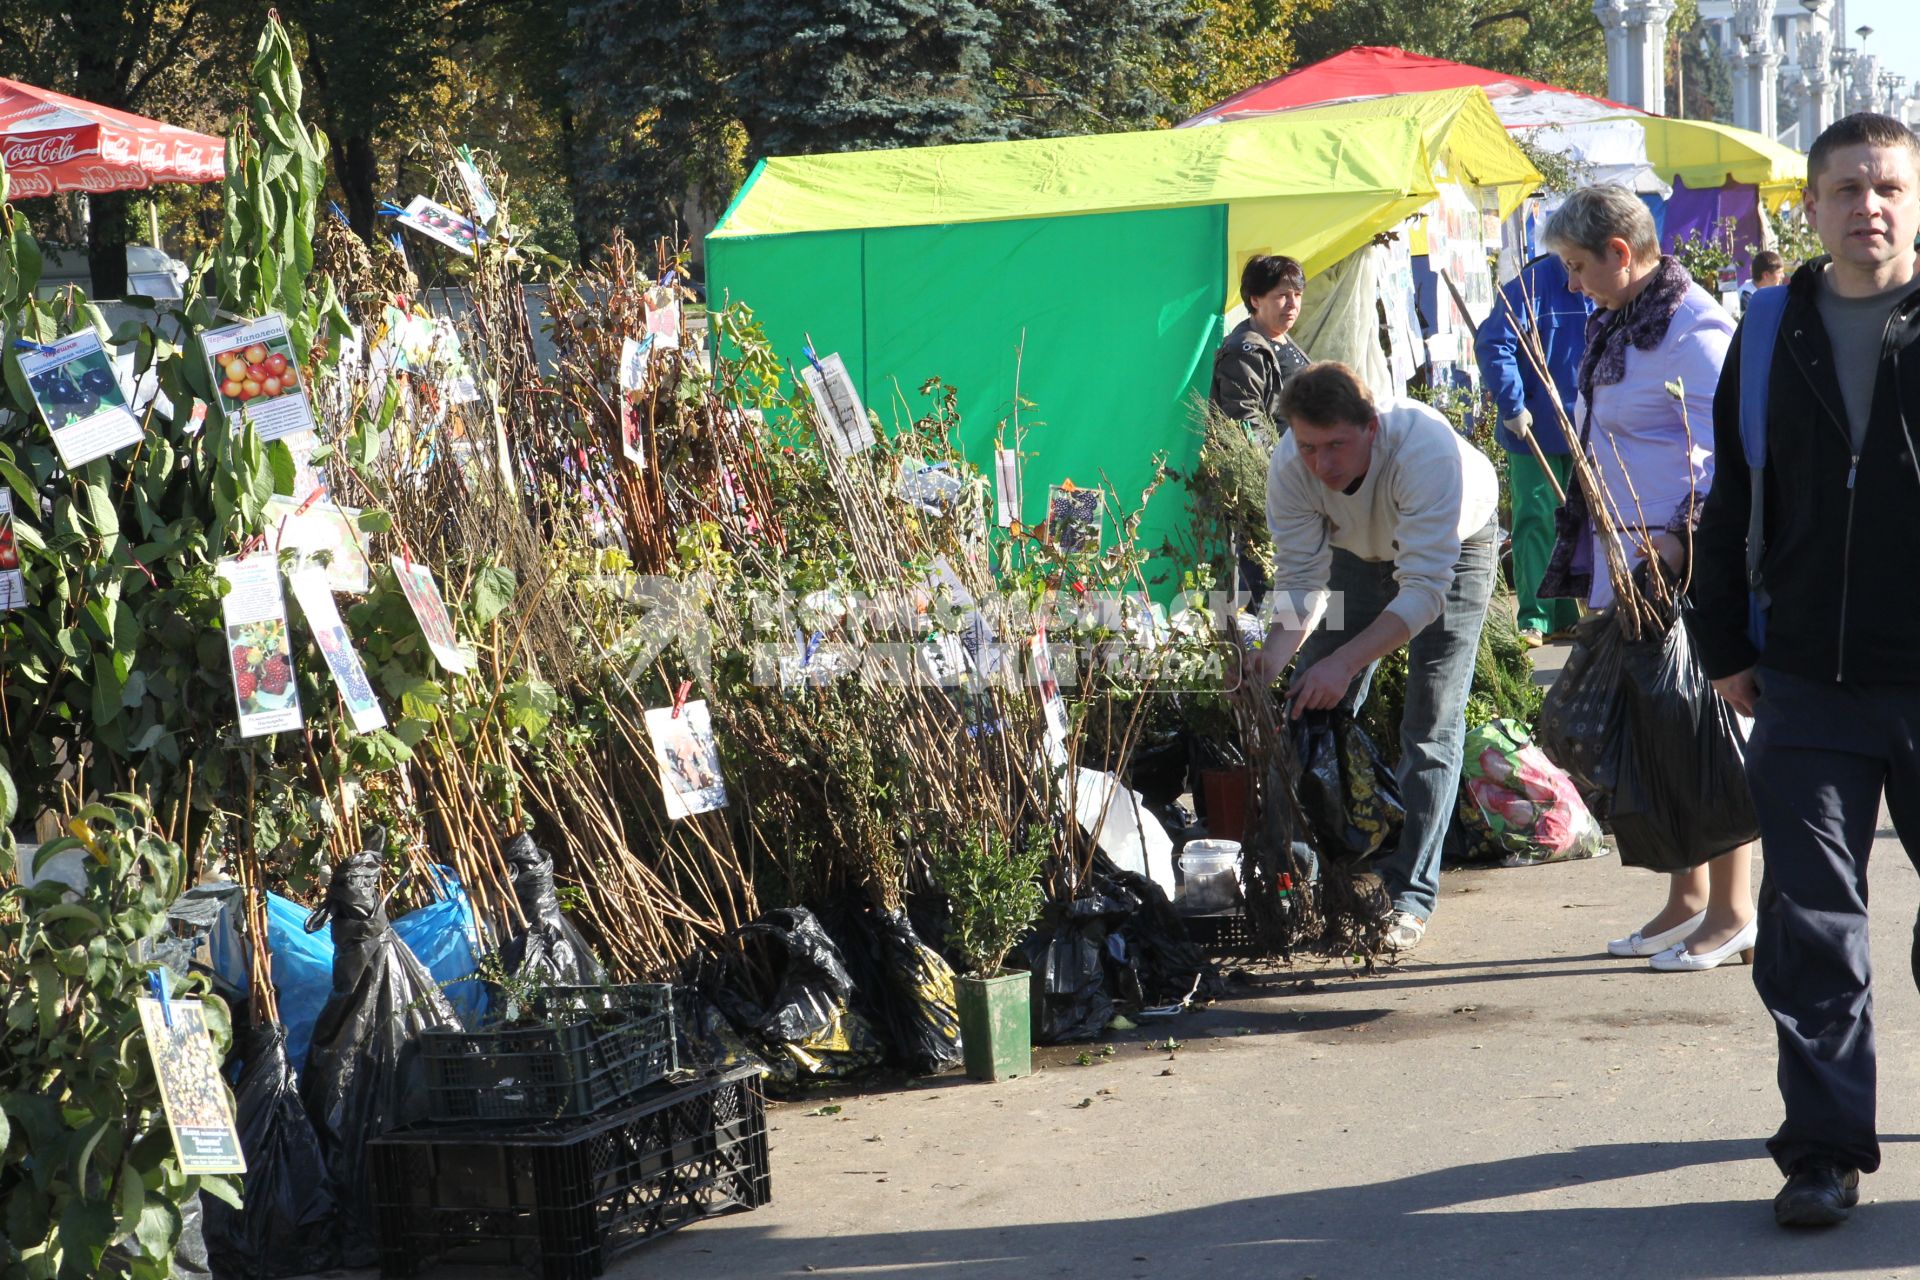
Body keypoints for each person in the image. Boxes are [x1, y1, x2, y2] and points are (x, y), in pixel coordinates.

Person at [1686, 113, 1920, 1229]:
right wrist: (1723, 641)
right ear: (1812, 206)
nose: (1867, 206)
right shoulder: (1770, 328)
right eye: (1846, 188)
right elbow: (1732, 491)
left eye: (1887, 186)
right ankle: (1824, 1150)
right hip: (1807, 680)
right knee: (1810, 924)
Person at [1536, 184, 1758, 974]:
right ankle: (1686, 897)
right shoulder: (1624, 320)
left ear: (1620, 254)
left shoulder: (1694, 328)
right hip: (1625, 561)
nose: (1571, 282)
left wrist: (1672, 544)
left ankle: (1734, 913)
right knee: (1658, 732)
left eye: (1576, 265)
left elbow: (1729, 454)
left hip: (1679, 567)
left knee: (1703, 737)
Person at [1246, 361, 1498, 952]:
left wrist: (1346, 663)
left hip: (1454, 552)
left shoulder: (1424, 450)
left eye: (1336, 445)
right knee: (1306, 704)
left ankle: (1410, 896)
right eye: (1309, 446)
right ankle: (1300, 877)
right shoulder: (1291, 465)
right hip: (1357, 557)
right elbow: (1301, 584)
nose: (1322, 464)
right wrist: (1266, 662)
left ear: (1372, 428)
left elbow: (1423, 593)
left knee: (1430, 722)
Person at [1475, 252, 1590, 646]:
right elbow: (1494, 344)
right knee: (1537, 518)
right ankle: (1537, 615)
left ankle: (1569, 611)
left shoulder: (1603, 276)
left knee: (1581, 521)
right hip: (1533, 429)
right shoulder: (1530, 287)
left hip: (1589, 427)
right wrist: (1512, 404)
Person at [1211, 254, 1311, 427]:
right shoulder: (1243, 353)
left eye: (1297, 294)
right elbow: (1247, 424)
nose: (1293, 303)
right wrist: (1284, 454)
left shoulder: (1280, 338)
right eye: (1283, 295)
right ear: (1255, 300)